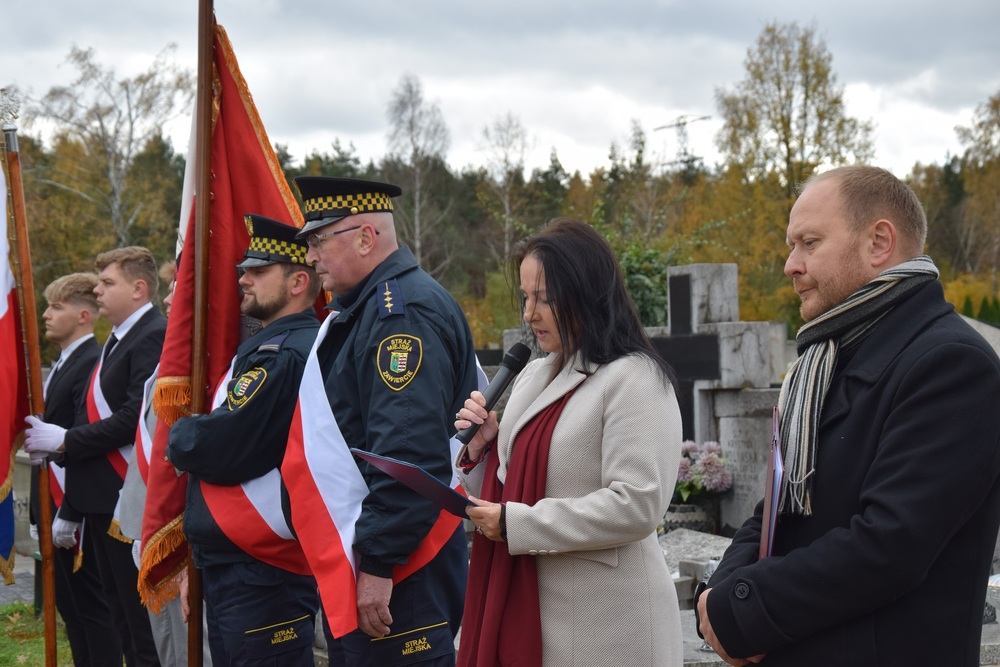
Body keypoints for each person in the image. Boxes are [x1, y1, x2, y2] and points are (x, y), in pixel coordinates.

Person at [695, 166, 1000, 666]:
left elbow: (888, 546)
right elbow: (776, 510)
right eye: (791, 246)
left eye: (808, 243)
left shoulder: (951, 365)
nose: (790, 265)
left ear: (879, 242)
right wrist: (723, 602)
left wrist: (747, 611)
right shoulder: (823, 363)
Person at [454, 217, 684, 666]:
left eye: (545, 298)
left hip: (609, 627)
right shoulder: (535, 374)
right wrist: (481, 453)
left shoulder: (635, 378)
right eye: (525, 297)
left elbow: (637, 504)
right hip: (530, 610)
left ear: (585, 292)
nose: (528, 314)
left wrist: (517, 525)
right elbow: (508, 490)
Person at [287, 176, 479, 666]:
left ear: (366, 238)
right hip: (393, 552)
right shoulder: (371, 308)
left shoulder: (400, 315)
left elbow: (406, 453)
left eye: (317, 241)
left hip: (403, 565)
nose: (310, 257)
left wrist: (377, 561)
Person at [167, 214, 323, 666]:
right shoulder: (271, 348)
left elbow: (218, 445)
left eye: (259, 270)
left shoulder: (286, 354)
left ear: (297, 281)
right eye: (244, 268)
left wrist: (181, 433)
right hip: (241, 559)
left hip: (262, 566)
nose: (243, 278)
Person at [25, 246, 166, 666]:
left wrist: (66, 440)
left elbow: (131, 417)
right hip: (101, 500)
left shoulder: (151, 334)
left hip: (126, 499)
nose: (98, 290)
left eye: (108, 283)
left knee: (138, 628)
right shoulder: (119, 339)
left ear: (139, 289)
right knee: (119, 615)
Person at [27, 272, 121, 667]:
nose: (46, 314)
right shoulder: (66, 361)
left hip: (76, 506)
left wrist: (70, 511)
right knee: (71, 609)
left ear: (85, 315)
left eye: (56, 307)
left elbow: (81, 437)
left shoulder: (90, 363)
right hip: (54, 500)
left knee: (92, 610)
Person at [115, 260, 194, 666]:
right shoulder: (174, 356)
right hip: (150, 520)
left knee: (186, 651)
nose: (168, 298)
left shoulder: (201, 359)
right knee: (166, 648)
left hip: (178, 529)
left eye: (178, 288)